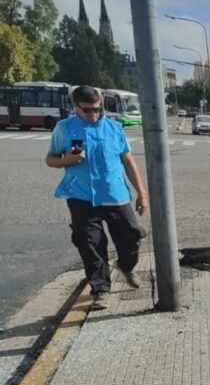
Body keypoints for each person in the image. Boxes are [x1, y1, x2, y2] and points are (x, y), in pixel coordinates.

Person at [46, 85, 148, 310]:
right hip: (80, 195)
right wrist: (66, 161)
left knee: (132, 234)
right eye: (87, 110)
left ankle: (125, 265)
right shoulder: (64, 128)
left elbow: (128, 162)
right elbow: (50, 158)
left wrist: (142, 193)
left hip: (114, 194)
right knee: (90, 243)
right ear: (76, 107)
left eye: (97, 110)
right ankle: (100, 289)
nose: (93, 115)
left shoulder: (114, 128)